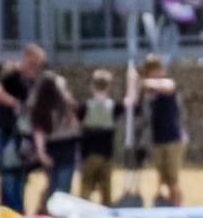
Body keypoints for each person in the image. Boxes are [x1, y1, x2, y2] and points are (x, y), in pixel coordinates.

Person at [0, 44, 45, 212]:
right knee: (8, 171)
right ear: (26, 58)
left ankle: (18, 210)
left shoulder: (32, 80)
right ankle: (7, 210)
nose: (35, 68)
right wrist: (14, 103)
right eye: (33, 64)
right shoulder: (11, 74)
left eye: (37, 65)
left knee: (20, 173)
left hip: (23, 134)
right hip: (8, 130)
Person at [128, 54, 186, 206]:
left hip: (172, 138)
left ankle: (177, 205)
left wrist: (139, 81)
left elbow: (165, 86)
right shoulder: (149, 93)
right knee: (162, 176)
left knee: (172, 178)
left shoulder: (167, 84)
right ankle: (164, 203)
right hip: (157, 138)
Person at [28, 72, 80, 214]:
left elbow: (75, 126)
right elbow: (39, 131)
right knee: (54, 185)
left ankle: (58, 216)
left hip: (68, 147)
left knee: (64, 186)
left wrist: (69, 103)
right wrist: (42, 153)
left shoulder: (67, 105)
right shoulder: (41, 107)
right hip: (53, 148)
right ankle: (45, 214)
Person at [78, 70, 118, 205]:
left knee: (86, 188)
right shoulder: (113, 106)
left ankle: (83, 216)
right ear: (109, 87)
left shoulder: (85, 106)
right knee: (106, 191)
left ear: (92, 86)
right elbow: (131, 104)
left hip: (89, 153)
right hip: (106, 154)